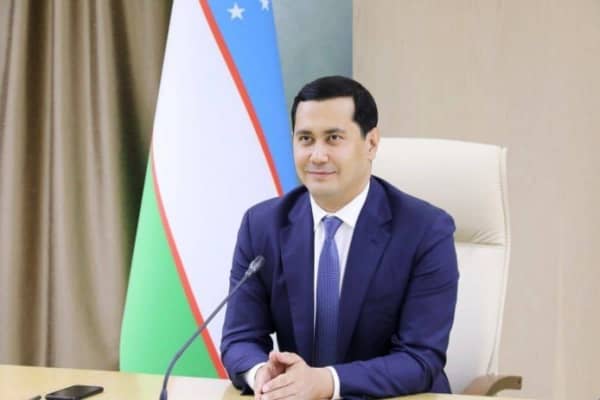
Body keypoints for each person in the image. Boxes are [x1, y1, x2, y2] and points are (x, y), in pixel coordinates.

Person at [220, 76, 458, 400]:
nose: (317, 155)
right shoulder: (261, 225)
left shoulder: (426, 231)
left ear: (371, 143)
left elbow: (420, 359)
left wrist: (326, 382)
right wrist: (262, 373)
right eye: (306, 139)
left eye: (333, 138)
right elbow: (240, 339)